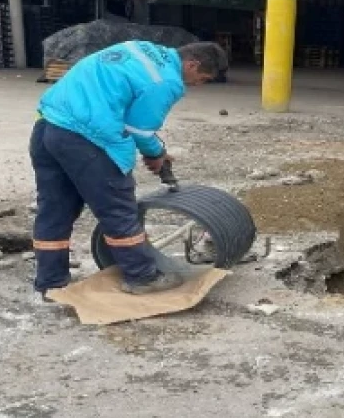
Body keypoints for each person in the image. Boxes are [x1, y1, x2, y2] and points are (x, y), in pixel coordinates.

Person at [30, 40, 228, 300]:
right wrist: (156, 154)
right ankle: (142, 277)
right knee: (118, 210)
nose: (197, 85)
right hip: (87, 139)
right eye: (202, 78)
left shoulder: (140, 48)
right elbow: (140, 130)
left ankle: (51, 283)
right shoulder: (166, 80)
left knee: (55, 209)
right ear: (192, 64)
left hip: (48, 128)